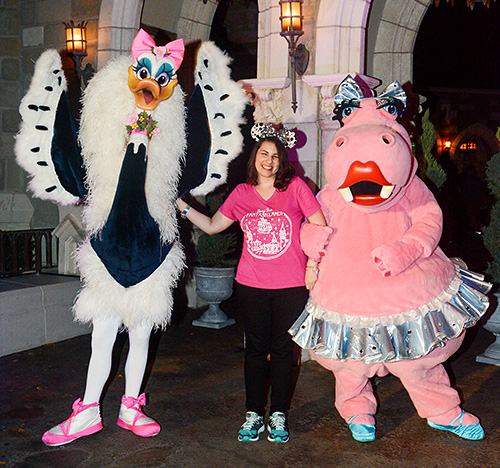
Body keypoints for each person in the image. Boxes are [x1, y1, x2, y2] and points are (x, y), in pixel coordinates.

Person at [177, 123, 326, 443]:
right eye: (263, 154)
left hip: (291, 285)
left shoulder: (296, 187)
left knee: (284, 351)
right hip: (251, 284)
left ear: (282, 160)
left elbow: (320, 226)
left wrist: (314, 264)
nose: (269, 160)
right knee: (255, 350)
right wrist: (182, 205)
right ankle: (254, 413)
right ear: (254, 157)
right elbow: (214, 226)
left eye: (275, 155)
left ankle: (279, 415)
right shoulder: (242, 193)